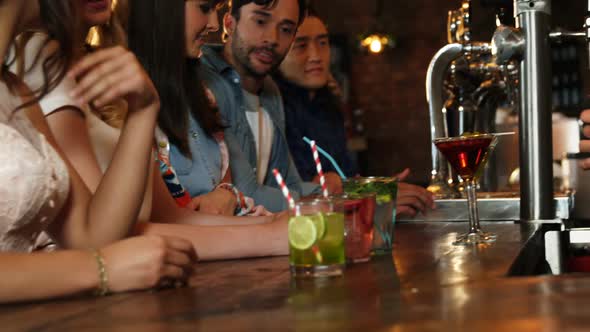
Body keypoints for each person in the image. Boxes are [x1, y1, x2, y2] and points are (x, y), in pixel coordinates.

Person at [14, 0, 290, 259]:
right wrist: (266, 237)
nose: (214, 23)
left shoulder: (98, 63)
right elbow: (105, 232)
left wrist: (276, 222)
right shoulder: (40, 57)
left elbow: (170, 216)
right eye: (204, 7)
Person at [0, 0, 196, 303]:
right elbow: (96, 257)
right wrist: (100, 269)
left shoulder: (15, 92)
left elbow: (90, 236)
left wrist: (143, 111)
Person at [274, 10, 436, 217]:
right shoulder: (273, 108)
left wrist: (378, 189)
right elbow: (304, 189)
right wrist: (373, 195)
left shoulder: (329, 105)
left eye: (323, 43)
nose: (316, 56)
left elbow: (344, 178)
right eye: (301, 45)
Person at [128, 0, 268, 216]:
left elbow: (226, 184)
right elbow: (159, 222)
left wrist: (226, 194)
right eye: (204, 8)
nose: (214, 24)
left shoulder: (204, 93)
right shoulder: (126, 102)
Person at [199, 0, 316, 212]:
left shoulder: (270, 90)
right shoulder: (203, 80)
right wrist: (329, 203)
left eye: (286, 29)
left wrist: (347, 192)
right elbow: (245, 191)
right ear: (229, 22)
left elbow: (287, 184)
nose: (272, 39)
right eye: (260, 21)